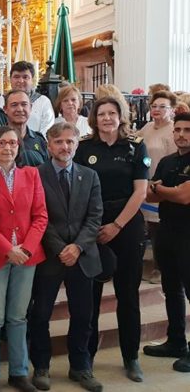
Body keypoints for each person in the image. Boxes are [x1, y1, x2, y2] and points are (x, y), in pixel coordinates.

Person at [74, 97, 149, 382]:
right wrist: (92, 228)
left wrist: (117, 225)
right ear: (94, 118)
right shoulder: (84, 147)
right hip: (91, 226)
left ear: (121, 116)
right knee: (89, 299)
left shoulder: (134, 146)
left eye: (112, 113)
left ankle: (131, 357)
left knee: (128, 295)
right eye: (101, 113)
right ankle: (86, 359)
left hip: (126, 225)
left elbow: (140, 192)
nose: (107, 118)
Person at [30, 122, 105, 392]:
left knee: (83, 314)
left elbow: (95, 216)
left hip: (82, 255)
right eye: (59, 142)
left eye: (70, 142)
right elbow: (37, 215)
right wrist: (60, 247)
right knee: (40, 313)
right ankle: (40, 366)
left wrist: (78, 247)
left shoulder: (90, 175)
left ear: (77, 144)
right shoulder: (36, 175)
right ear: (49, 145)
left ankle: (81, 367)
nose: (65, 147)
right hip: (50, 255)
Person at [0, 126, 48, 392]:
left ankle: (19, 372)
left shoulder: (31, 175)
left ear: (19, 147)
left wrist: (26, 249)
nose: (8, 148)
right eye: (2, 143)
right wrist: (8, 249)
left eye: (13, 143)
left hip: (26, 257)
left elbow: (40, 216)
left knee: (18, 316)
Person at [142, 112, 190, 372]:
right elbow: (152, 195)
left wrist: (162, 190)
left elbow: (185, 196)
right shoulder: (168, 162)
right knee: (171, 290)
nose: (181, 134)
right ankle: (176, 341)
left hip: (188, 235)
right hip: (166, 231)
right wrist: (163, 191)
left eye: (187, 130)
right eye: (178, 130)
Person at [136, 90, 177, 284]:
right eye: (154, 106)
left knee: (161, 227)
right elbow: (136, 142)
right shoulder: (148, 127)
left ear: (172, 110)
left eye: (162, 106)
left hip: (163, 184)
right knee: (150, 227)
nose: (157, 110)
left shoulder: (173, 130)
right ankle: (151, 264)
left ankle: (161, 268)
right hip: (146, 182)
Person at [0, 61, 55, 135]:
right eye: (16, 77)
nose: (21, 81)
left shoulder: (43, 102)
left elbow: (48, 131)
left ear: (32, 80)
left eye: (25, 77)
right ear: (10, 79)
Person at [2, 90, 49, 166]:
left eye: (24, 104)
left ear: (30, 108)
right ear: (5, 109)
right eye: (14, 105)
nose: (20, 109)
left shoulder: (39, 140)